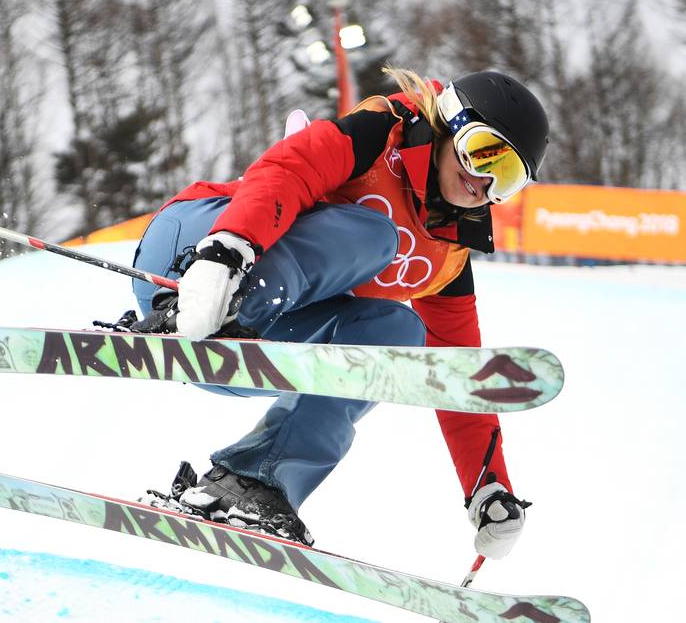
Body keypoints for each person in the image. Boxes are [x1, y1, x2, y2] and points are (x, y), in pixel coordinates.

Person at [128, 67, 549, 559]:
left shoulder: (448, 254)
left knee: (398, 333)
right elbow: (287, 170)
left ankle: (252, 482)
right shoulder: (379, 134)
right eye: (483, 153)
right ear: (451, 123)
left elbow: (454, 374)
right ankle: (211, 308)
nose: (484, 182)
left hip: (254, 335)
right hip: (197, 248)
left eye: (508, 178)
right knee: (374, 234)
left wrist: (489, 487)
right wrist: (227, 251)